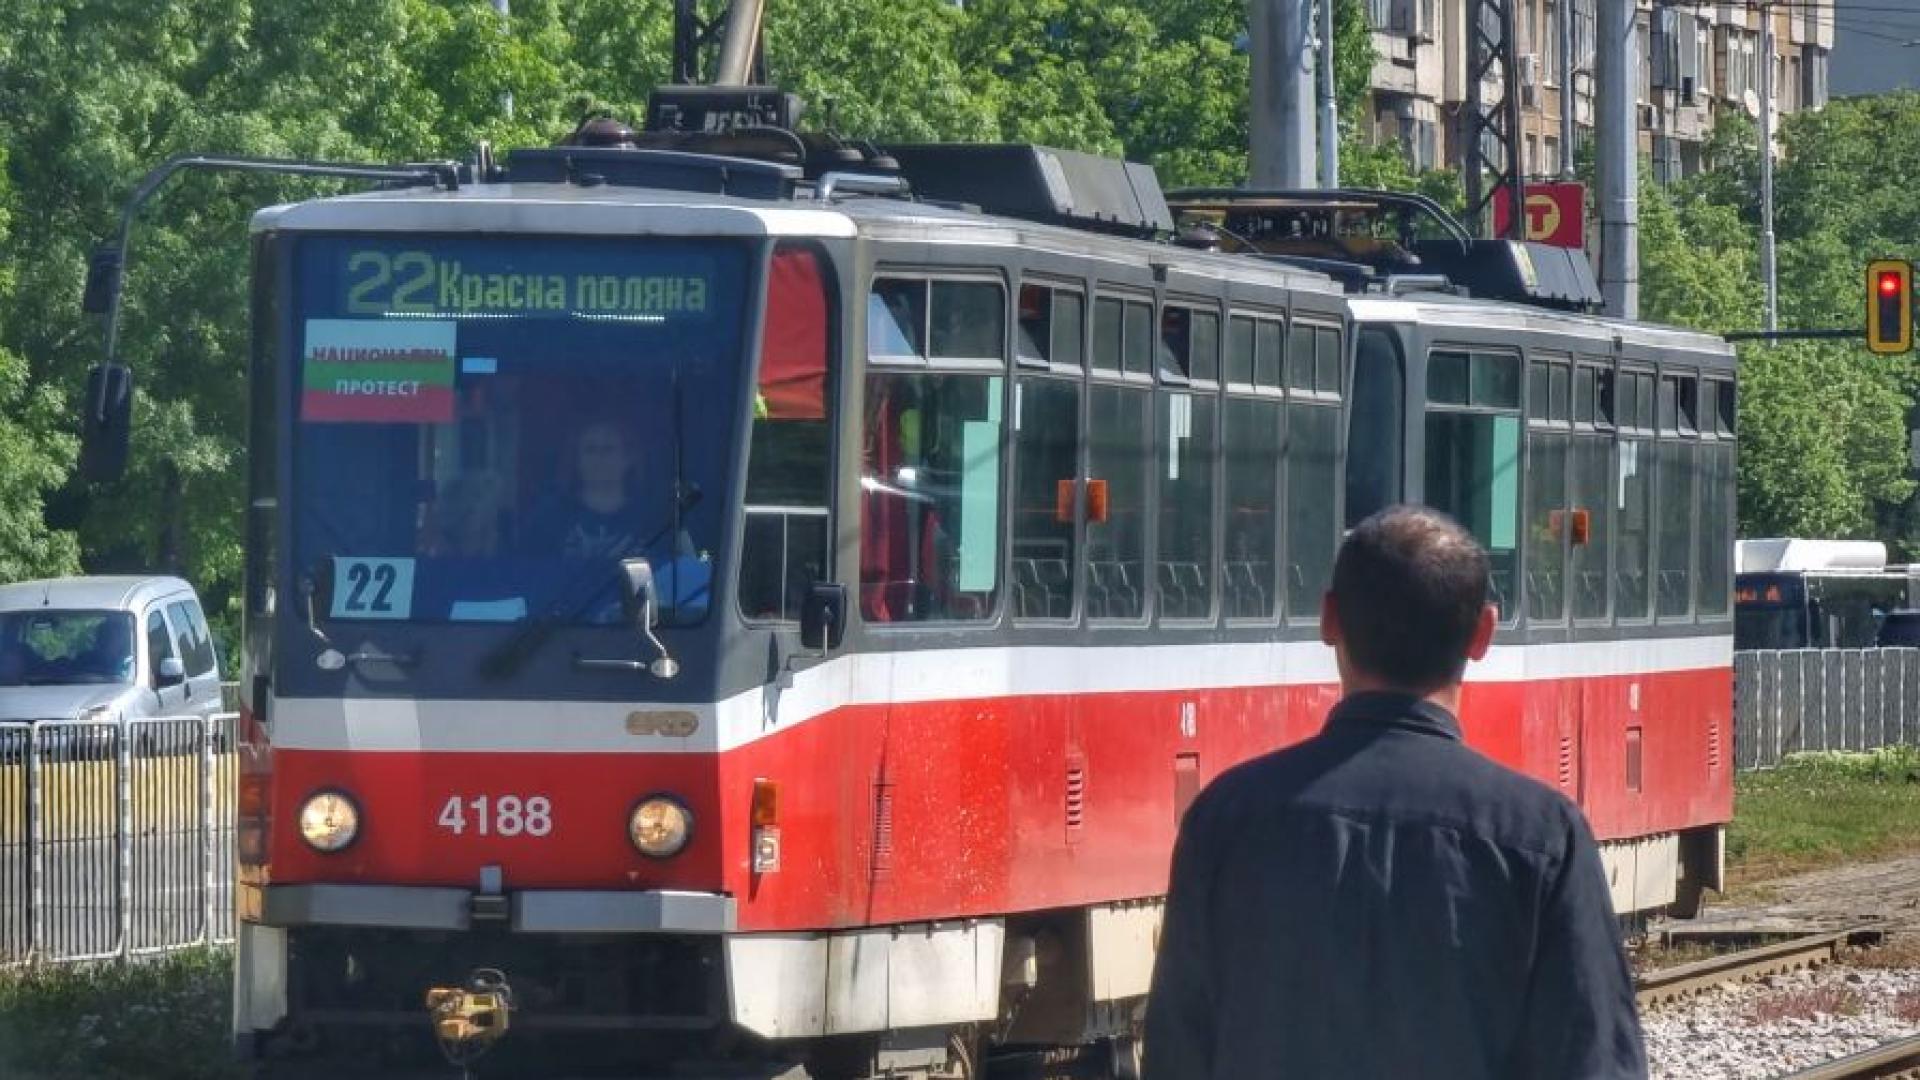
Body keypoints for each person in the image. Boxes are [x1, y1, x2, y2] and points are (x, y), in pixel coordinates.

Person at [1143, 505, 1645, 1080]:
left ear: (1330, 618)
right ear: (1483, 633)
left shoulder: (1225, 820)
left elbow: (1176, 1054)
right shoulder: (1542, 838)